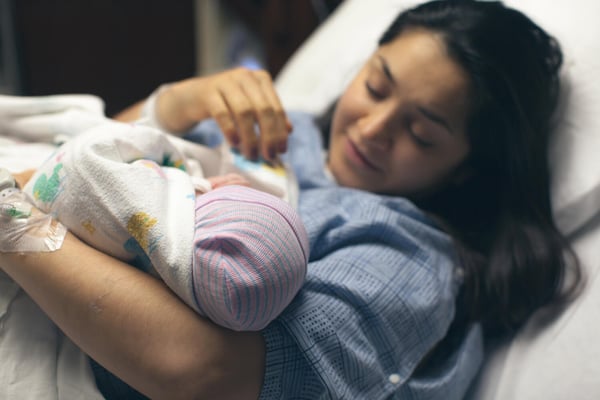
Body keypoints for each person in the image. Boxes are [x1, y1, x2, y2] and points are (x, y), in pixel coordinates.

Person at [0, 1, 581, 399]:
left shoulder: (406, 257)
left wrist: (10, 218)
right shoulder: (283, 130)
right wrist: (175, 105)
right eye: (375, 86)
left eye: (423, 133)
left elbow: (204, 375)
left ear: (468, 170)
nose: (373, 127)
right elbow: (80, 168)